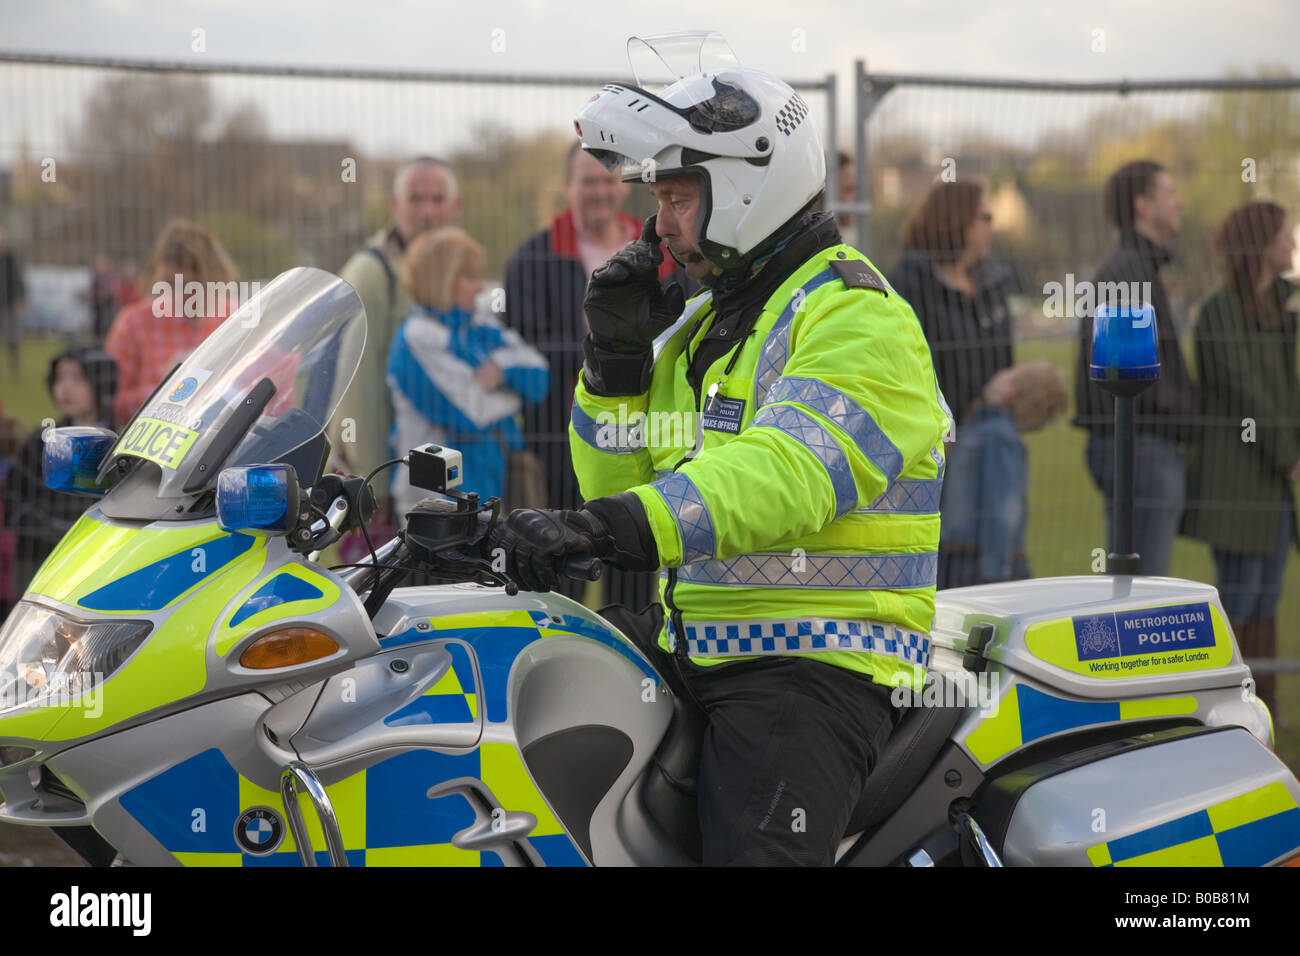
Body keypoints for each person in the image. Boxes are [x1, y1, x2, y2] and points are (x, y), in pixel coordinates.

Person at [491, 62, 951, 865]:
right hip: (694, 643)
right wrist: (614, 365)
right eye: (657, 200)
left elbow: (787, 473)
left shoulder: (854, 315)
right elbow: (621, 484)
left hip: (811, 667)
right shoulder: (709, 327)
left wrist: (607, 528)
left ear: (746, 187)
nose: (659, 224)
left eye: (675, 197)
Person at [502, 141, 686, 604]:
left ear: (622, 187)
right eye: (587, 181)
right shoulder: (532, 258)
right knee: (559, 544)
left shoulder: (662, 252)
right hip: (560, 432)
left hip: (644, 423)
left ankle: (633, 636)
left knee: (635, 530)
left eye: (607, 180)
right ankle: (562, 635)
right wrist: (603, 353)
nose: (598, 191)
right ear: (568, 188)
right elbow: (524, 341)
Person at [889, 181, 1059, 587]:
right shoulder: (909, 286)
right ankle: (987, 584)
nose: (993, 228)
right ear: (956, 221)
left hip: (994, 428)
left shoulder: (992, 284)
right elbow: (905, 372)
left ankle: (996, 583)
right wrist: (976, 398)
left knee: (1000, 444)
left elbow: (1003, 363)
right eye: (985, 217)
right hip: (940, 441)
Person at [1181, 201, 1299, 720]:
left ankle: (1263, 709)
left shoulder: (1285, 305)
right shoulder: (1218, 311)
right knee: (1241, 597)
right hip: (1237, 479)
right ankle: (1229, 709)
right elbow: (1243, 392)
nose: (1293, 243)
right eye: (1285, 233)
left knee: (1268, 594)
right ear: (1260, 241)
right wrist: (1289, 455)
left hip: (1274, 481)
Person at [1074, 160, 1199, 575]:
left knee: (1138, 587)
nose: (1179, 201)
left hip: (1142, 445)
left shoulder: (1137, 268)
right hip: (1137, 446)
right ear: (1143, 206)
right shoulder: (1127, 272)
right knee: (1141, 594)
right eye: (1169, 193)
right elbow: (1127, 378)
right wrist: (1191, 414)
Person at [330, 157, 462, 530]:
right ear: (395, 205)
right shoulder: (371, 275)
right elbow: (357, 387)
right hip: (394, 475)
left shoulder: (455, 269)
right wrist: (374, 483)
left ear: (456, 207)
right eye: (416, 199)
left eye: (437, 200)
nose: (427, 212)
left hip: (444, 469)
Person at [386, 227, 548, 519]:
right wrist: (515, 395)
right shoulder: (416, 338)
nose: (479, 288)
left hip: (489, 492)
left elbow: (539, 373)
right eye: (470, 278)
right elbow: (474, 412)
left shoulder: (477, 326)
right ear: (442, 280)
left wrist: (502, 373)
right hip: (435, 505)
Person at [2, 348, 118, 595]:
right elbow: (13, 502)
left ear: (101, 383)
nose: (64, 388)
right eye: (59, 378)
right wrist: (56, 530)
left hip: (102, 562)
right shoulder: (40, 443)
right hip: (40, 562)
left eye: (77, 378)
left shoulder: (121, 444)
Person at [104, 220, 238, 429]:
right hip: (154, 442)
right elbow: (108, 400)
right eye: (173, 285)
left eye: (196, 286)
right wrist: (165, 391)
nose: (186, 296)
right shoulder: (134, 322)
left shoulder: (235, 318)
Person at [0, 228, 26, 378]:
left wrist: (20, 300)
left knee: (12, 338)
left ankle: (15, 369)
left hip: (9, 304)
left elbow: (18, 281)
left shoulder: (10, 260)